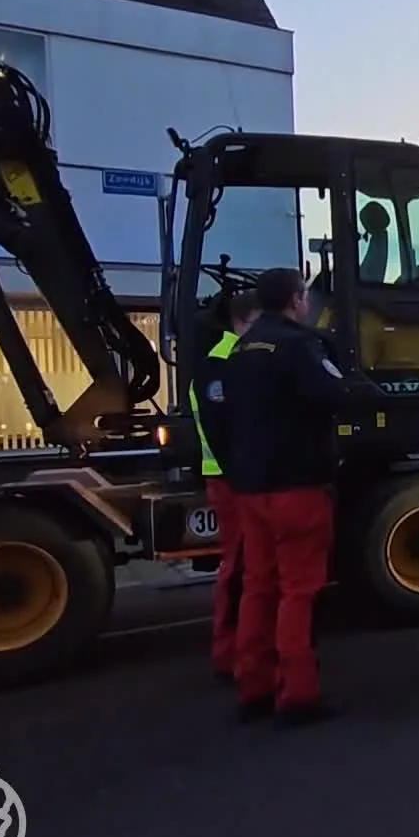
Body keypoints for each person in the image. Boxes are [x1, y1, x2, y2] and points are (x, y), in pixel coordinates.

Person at [222, 268, 382, 726]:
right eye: (305, 296)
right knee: (299, 590)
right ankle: (298, 693)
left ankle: (253, 684)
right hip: (297, 485)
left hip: (251, 487)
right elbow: (334, 395)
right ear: (295, 300)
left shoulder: (240, 350)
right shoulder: (300, 345)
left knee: (258, 586)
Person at [193, 289, 261, 679]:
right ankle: (230, 651)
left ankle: (246, 649)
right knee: (239, 566)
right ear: (245, 321)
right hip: (231, 480)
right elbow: (223, 432)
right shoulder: (222, 364)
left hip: (237, 477)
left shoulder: (233, 359)